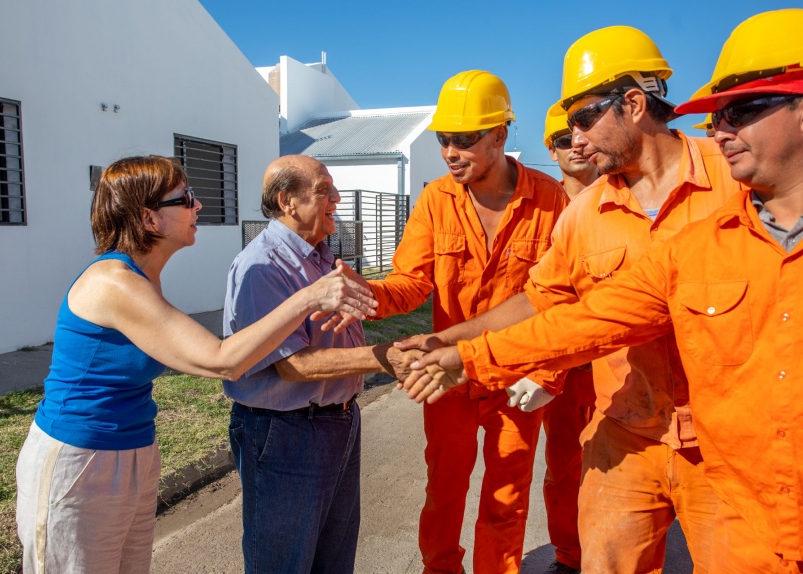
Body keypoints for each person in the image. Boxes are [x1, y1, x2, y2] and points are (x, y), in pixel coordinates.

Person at [405, 9, 803, 573]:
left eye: (585, 119)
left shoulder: (735, 181)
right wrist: (455, 344)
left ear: (634, 104)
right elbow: (555, 306)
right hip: (626, 430)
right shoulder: (585, 213)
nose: (574, 140)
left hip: (723, 443)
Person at [14, 156, 376, 574]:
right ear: (149, 218)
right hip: (81, 461)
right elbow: (223, 361)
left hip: (131, 453)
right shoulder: (114, 283)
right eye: (184, 199)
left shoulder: (143, 278)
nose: (198, 205)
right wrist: (310, 297)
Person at [339, 70, 568, 573]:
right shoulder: (435, 200)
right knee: (444, 491)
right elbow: (411, 284)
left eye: (463, 140)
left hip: (515, 376)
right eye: (444, 139)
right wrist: (366, 295)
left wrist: (549, 373)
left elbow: (563, 298)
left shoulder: (552, 201)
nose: (449, 152)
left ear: (500, 136)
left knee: (507, 497)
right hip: (448, 377)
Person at [222, 154, 416, 573]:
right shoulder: (263, 266)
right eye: (324, 190)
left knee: (333, 557)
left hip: (337, 421)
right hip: (286, 433)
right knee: (284, 561)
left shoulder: (321, 256)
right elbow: (294, 366)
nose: (338, 199)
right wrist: (383, 358)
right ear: (288, 200)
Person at [535, 105, 599, 574]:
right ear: (550, 149)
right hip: (563, 367)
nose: (573, 145)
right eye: (560, 139)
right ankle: (569, 556)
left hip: (624, 362)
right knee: (564, 469)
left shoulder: (630, 196)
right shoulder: (541, 209)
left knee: (630, 468)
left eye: (584, 130)